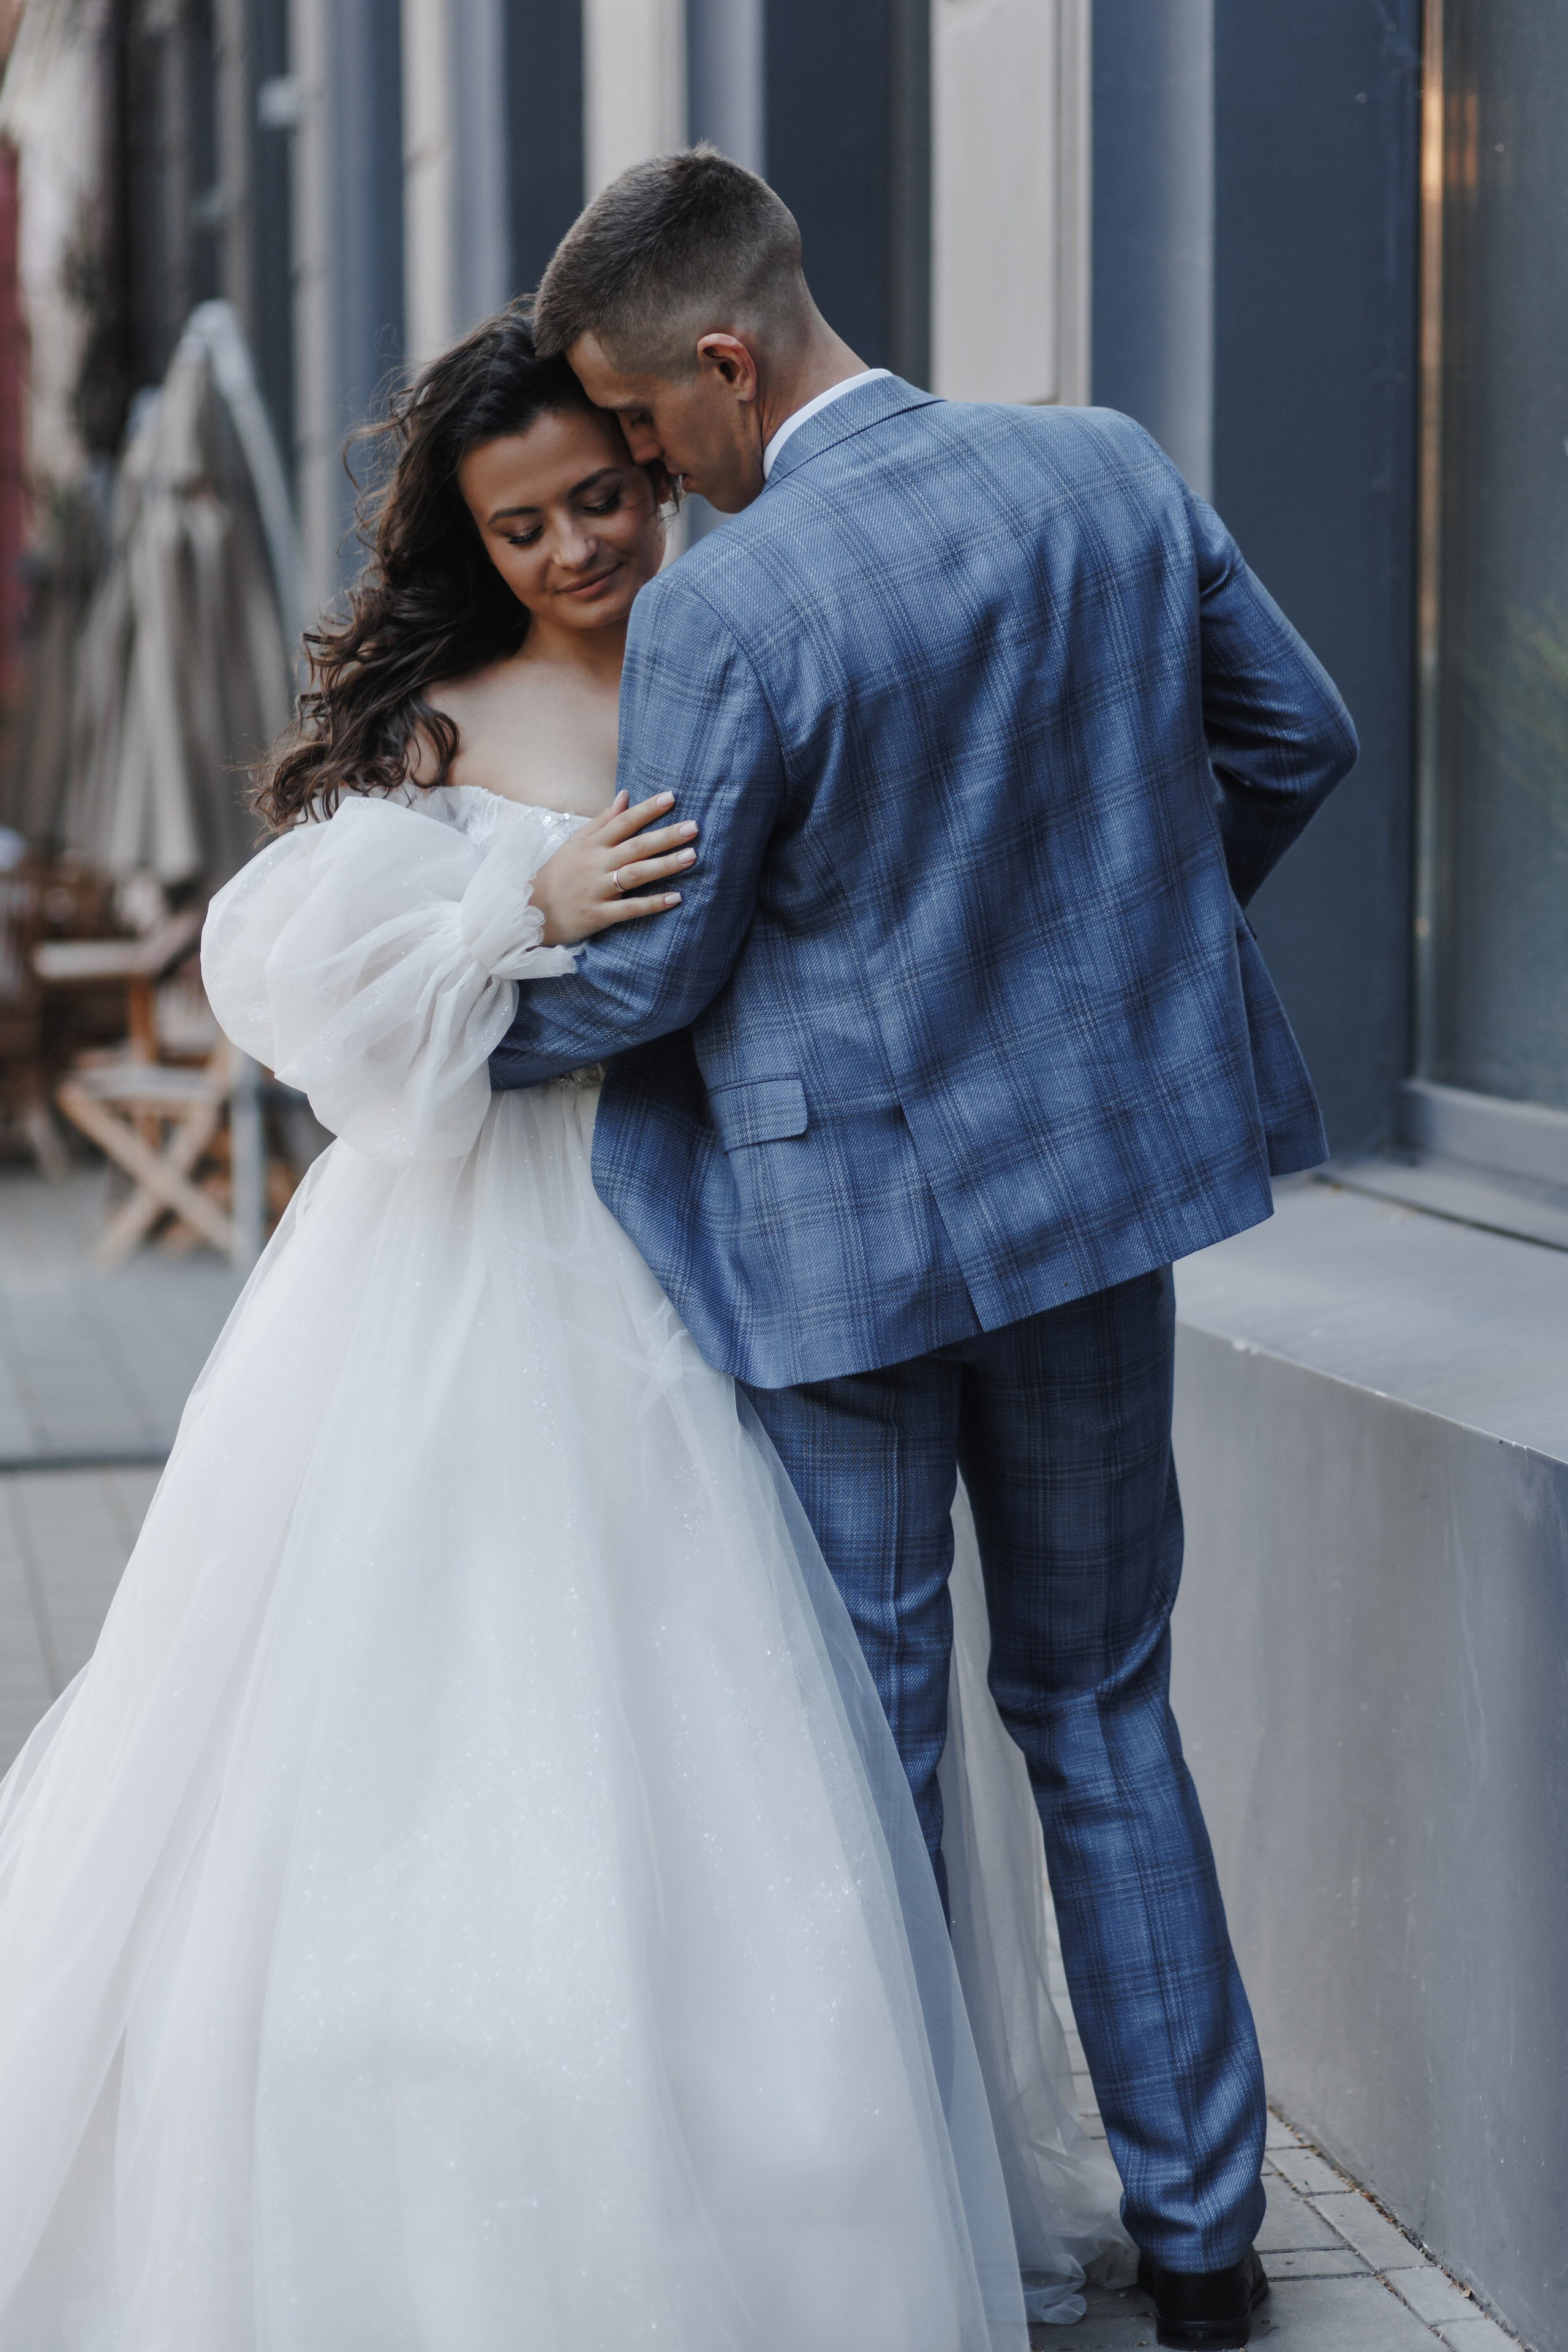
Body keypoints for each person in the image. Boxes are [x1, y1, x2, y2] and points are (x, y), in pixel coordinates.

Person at [0, 311, 1123, 2350]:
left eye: (596, 500)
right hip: (467, 1246)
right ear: (467, 539)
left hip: (720, 1237)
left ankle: (799, 2174)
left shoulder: (753, 636)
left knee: (753, 1712)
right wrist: (522, 910)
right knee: (449, 1688)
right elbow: (301, 993)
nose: (570, 553)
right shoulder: (438, 718)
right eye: (517, 528)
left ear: (658, 457)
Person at [488, 149, 1359, 2352]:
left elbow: (660, 978)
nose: (641, 479)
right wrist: (1122, 970)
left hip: (839, 1248)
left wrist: (462, 1016)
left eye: (644, 426)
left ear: (719, 361)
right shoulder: (1106, 470)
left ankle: (909, 2263)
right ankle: (1205, 2252)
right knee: (1100, 1705)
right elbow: (1299, 739)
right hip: (1093, 1210)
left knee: (862, 1750)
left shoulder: (729, 614)